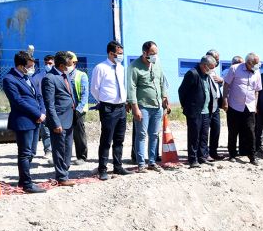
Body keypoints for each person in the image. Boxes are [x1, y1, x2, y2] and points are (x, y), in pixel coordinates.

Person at [3, 51, 46, 193]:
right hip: (23, 121)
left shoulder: (30, 78)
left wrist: (42, 112)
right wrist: (36, 113)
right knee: (25, 153)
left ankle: (23, 179)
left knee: (32, 152)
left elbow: (38, 95)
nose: (32, 68)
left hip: (36, 120)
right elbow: (18, 101)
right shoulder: (10, 79)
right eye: (30, 66)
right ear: (21, 66)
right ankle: (27, 184)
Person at [90, 40, 132, 181]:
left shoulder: (120, 67)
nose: (121, 56)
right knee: (106, 139)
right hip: (108, 108)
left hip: (121, 107)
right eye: (118, 53)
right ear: (110, 53)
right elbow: (94, 89)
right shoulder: (100, 68)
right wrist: (104, 101)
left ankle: (118, 166)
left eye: (121, 53)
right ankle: (102, 169)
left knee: (119, 139)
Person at [127, 41, 168, 173]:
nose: (155, 56)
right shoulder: (134, 67)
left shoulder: (157, 64)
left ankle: (152, 161)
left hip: (157, 106)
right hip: (142, 106)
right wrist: (135, 108)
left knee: (154, 134)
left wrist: (164, 97)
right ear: (144, 53)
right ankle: (141, 164)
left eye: (156, 53)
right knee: (142, 135)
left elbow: (162, 81)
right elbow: (131, 88)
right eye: (152, 53)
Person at [41, 51, 78, 187]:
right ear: (62, 65)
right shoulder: (49, 78)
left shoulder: (65, 75)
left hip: (69, 117)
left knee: (68, 148)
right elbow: (49, 104)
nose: (71, 66)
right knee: (59, 149)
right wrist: (56, 122)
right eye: (69, 64)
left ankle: (65, 172)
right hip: (59, 120)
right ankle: (62, 176)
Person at [178, 55, 220, 168]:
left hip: (206, 111)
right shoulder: (193, 73)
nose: (212, 70)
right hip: (194, 111)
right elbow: (182, 91)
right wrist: (186, 106)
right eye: (210, 67)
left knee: (204, 136)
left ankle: (202, 157)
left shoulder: (207, 75)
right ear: (204, 65)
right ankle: (193, 160)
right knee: (194, 136)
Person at [223, 53, 262, 164]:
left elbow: (257, 91)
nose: (257, 65)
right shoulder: (235, 69)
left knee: (250, 131)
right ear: (248, 62)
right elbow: (226, 85)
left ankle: (252, 156)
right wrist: (225, 100)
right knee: (233, 131)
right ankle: (232, 154)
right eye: (255, 63)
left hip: (249, 106)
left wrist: (255, 105)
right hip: (234, 105)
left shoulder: (257, 72)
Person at [30, 54, 55, 159]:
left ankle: (58, 150)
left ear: (54, 63)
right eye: (46, 63)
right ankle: (48, 150)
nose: (48, 65)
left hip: (55, 106)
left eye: (50, 63)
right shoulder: (39, 76)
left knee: (57, 128)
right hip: (43, 106)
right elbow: (31, 86)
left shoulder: (57, 75)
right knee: (45, 130)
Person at [67, 53, 89, 165]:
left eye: (69, 62)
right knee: (66, 134)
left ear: (74, 62)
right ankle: (65, 157)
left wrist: (79, 109)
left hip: (78, 109)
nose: (67, 65)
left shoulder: (81, 75)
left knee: (79, 133)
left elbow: (85, 94)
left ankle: (82, 156)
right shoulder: (62, 75)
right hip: (66, 109)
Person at [206, 49, 225, 161]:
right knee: (204, 131)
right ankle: (203, 153)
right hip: (206, 105)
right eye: (216, 59)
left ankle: (213, 152)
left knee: (216, 129)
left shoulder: (214, 70)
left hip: (216, 104)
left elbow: (218, 84)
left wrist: (221, 80)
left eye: (218, 60)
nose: (218, 62)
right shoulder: (203, 70)